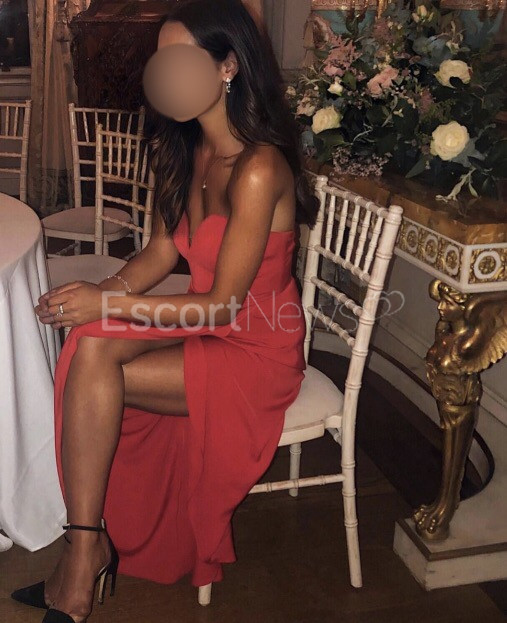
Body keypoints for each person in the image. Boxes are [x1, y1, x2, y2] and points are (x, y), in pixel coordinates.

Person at [11, 1, 318, 621]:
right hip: (208, 326)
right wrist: (102, 292)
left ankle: (82, 557)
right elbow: (159, 251)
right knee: (89, 340)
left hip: (255, 346)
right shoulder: (182, 146)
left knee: (92, 358)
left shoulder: (258, 169)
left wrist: (108, 302)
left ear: (228, 66)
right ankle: (86, 545)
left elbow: (223, 307)